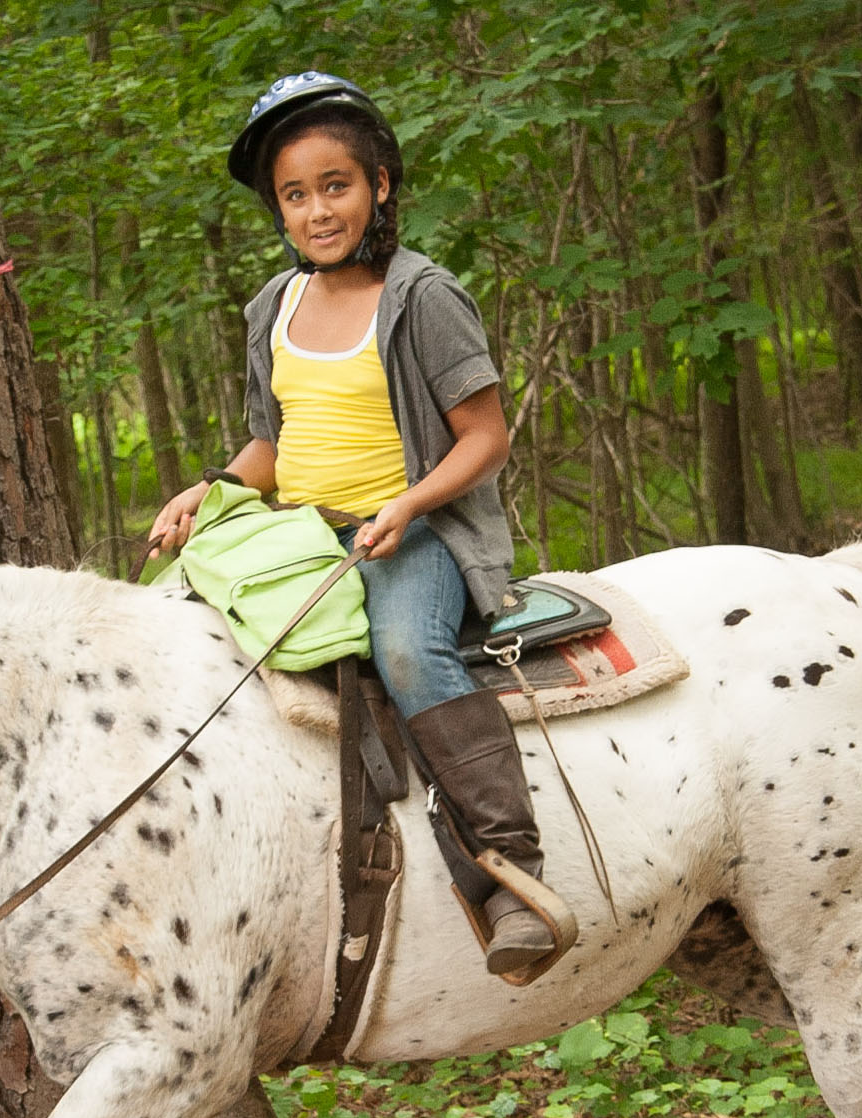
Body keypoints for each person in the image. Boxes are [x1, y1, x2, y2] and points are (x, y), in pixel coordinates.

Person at [148, 71, 574, 979]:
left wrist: (409, 503)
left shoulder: (423, 297)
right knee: (169, 625)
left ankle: (510, 872)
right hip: (297, 532)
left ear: (379, 183)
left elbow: (485, 436)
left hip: (410, 533)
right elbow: (273, 439)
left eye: (334, 185)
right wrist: (210, 487)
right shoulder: (274, 304)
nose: (316, 211)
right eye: (294, 195)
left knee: (410, 652)